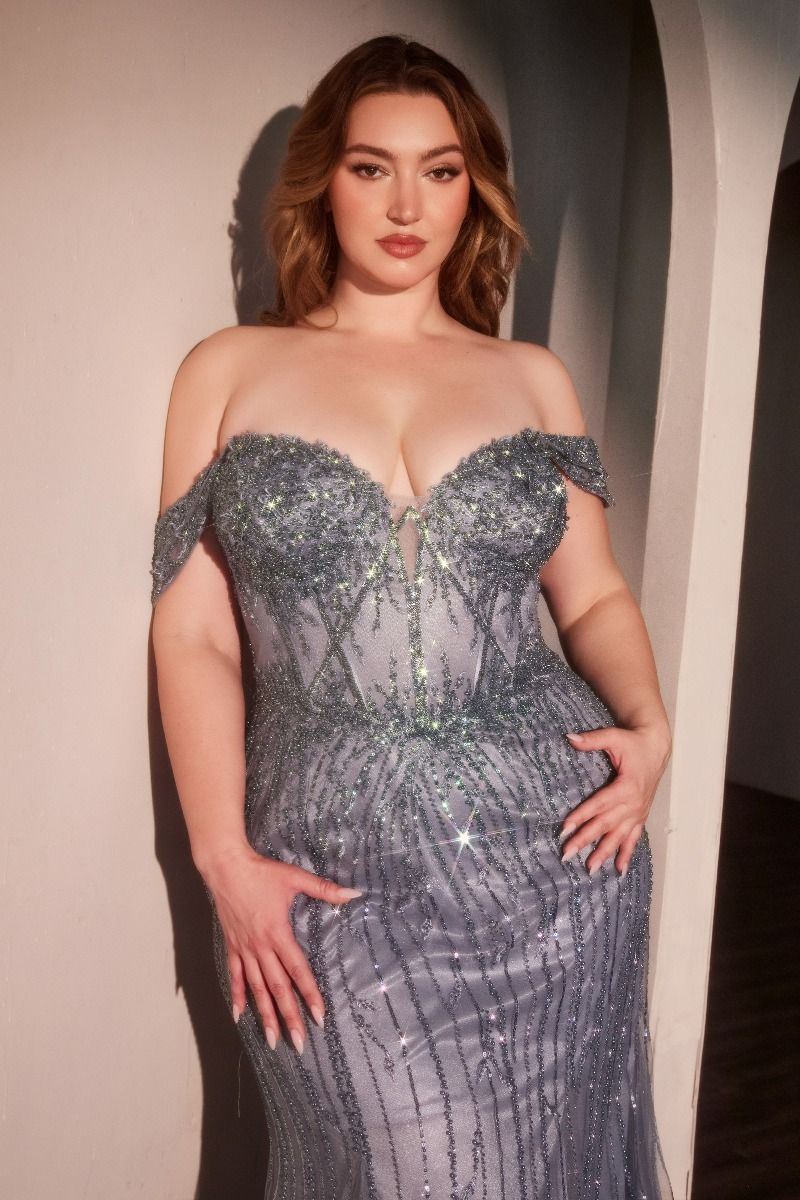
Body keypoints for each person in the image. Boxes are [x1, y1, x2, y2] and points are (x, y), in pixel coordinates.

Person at [150, 33, 674, 1200]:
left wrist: (650, 731)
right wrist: (220, 857)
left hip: (551, 848)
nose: (405, 206)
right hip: (326, 858)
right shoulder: (227, 370)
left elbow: (592, 591)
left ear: (472, 189)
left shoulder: (532, 378)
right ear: (321, 182)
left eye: (439, 171)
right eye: (370, 168)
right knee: (388, 1164)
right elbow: (194, 633)